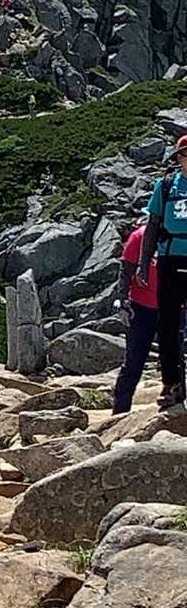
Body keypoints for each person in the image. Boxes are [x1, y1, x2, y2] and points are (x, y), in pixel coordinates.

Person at [138, 135, 187, 408]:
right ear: (178, 157)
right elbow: (153, 225)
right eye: (185, 153)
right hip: (169, 260)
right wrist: (144, 263)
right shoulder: (166, 185)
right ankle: (171, 382)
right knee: (167, 324)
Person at [112, 218, 159, 413]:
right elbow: (126, 271)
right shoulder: (139, 236)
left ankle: (177, 412)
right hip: (141, 307)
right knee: (134, 362)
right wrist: (122, 300)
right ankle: (119, 413)